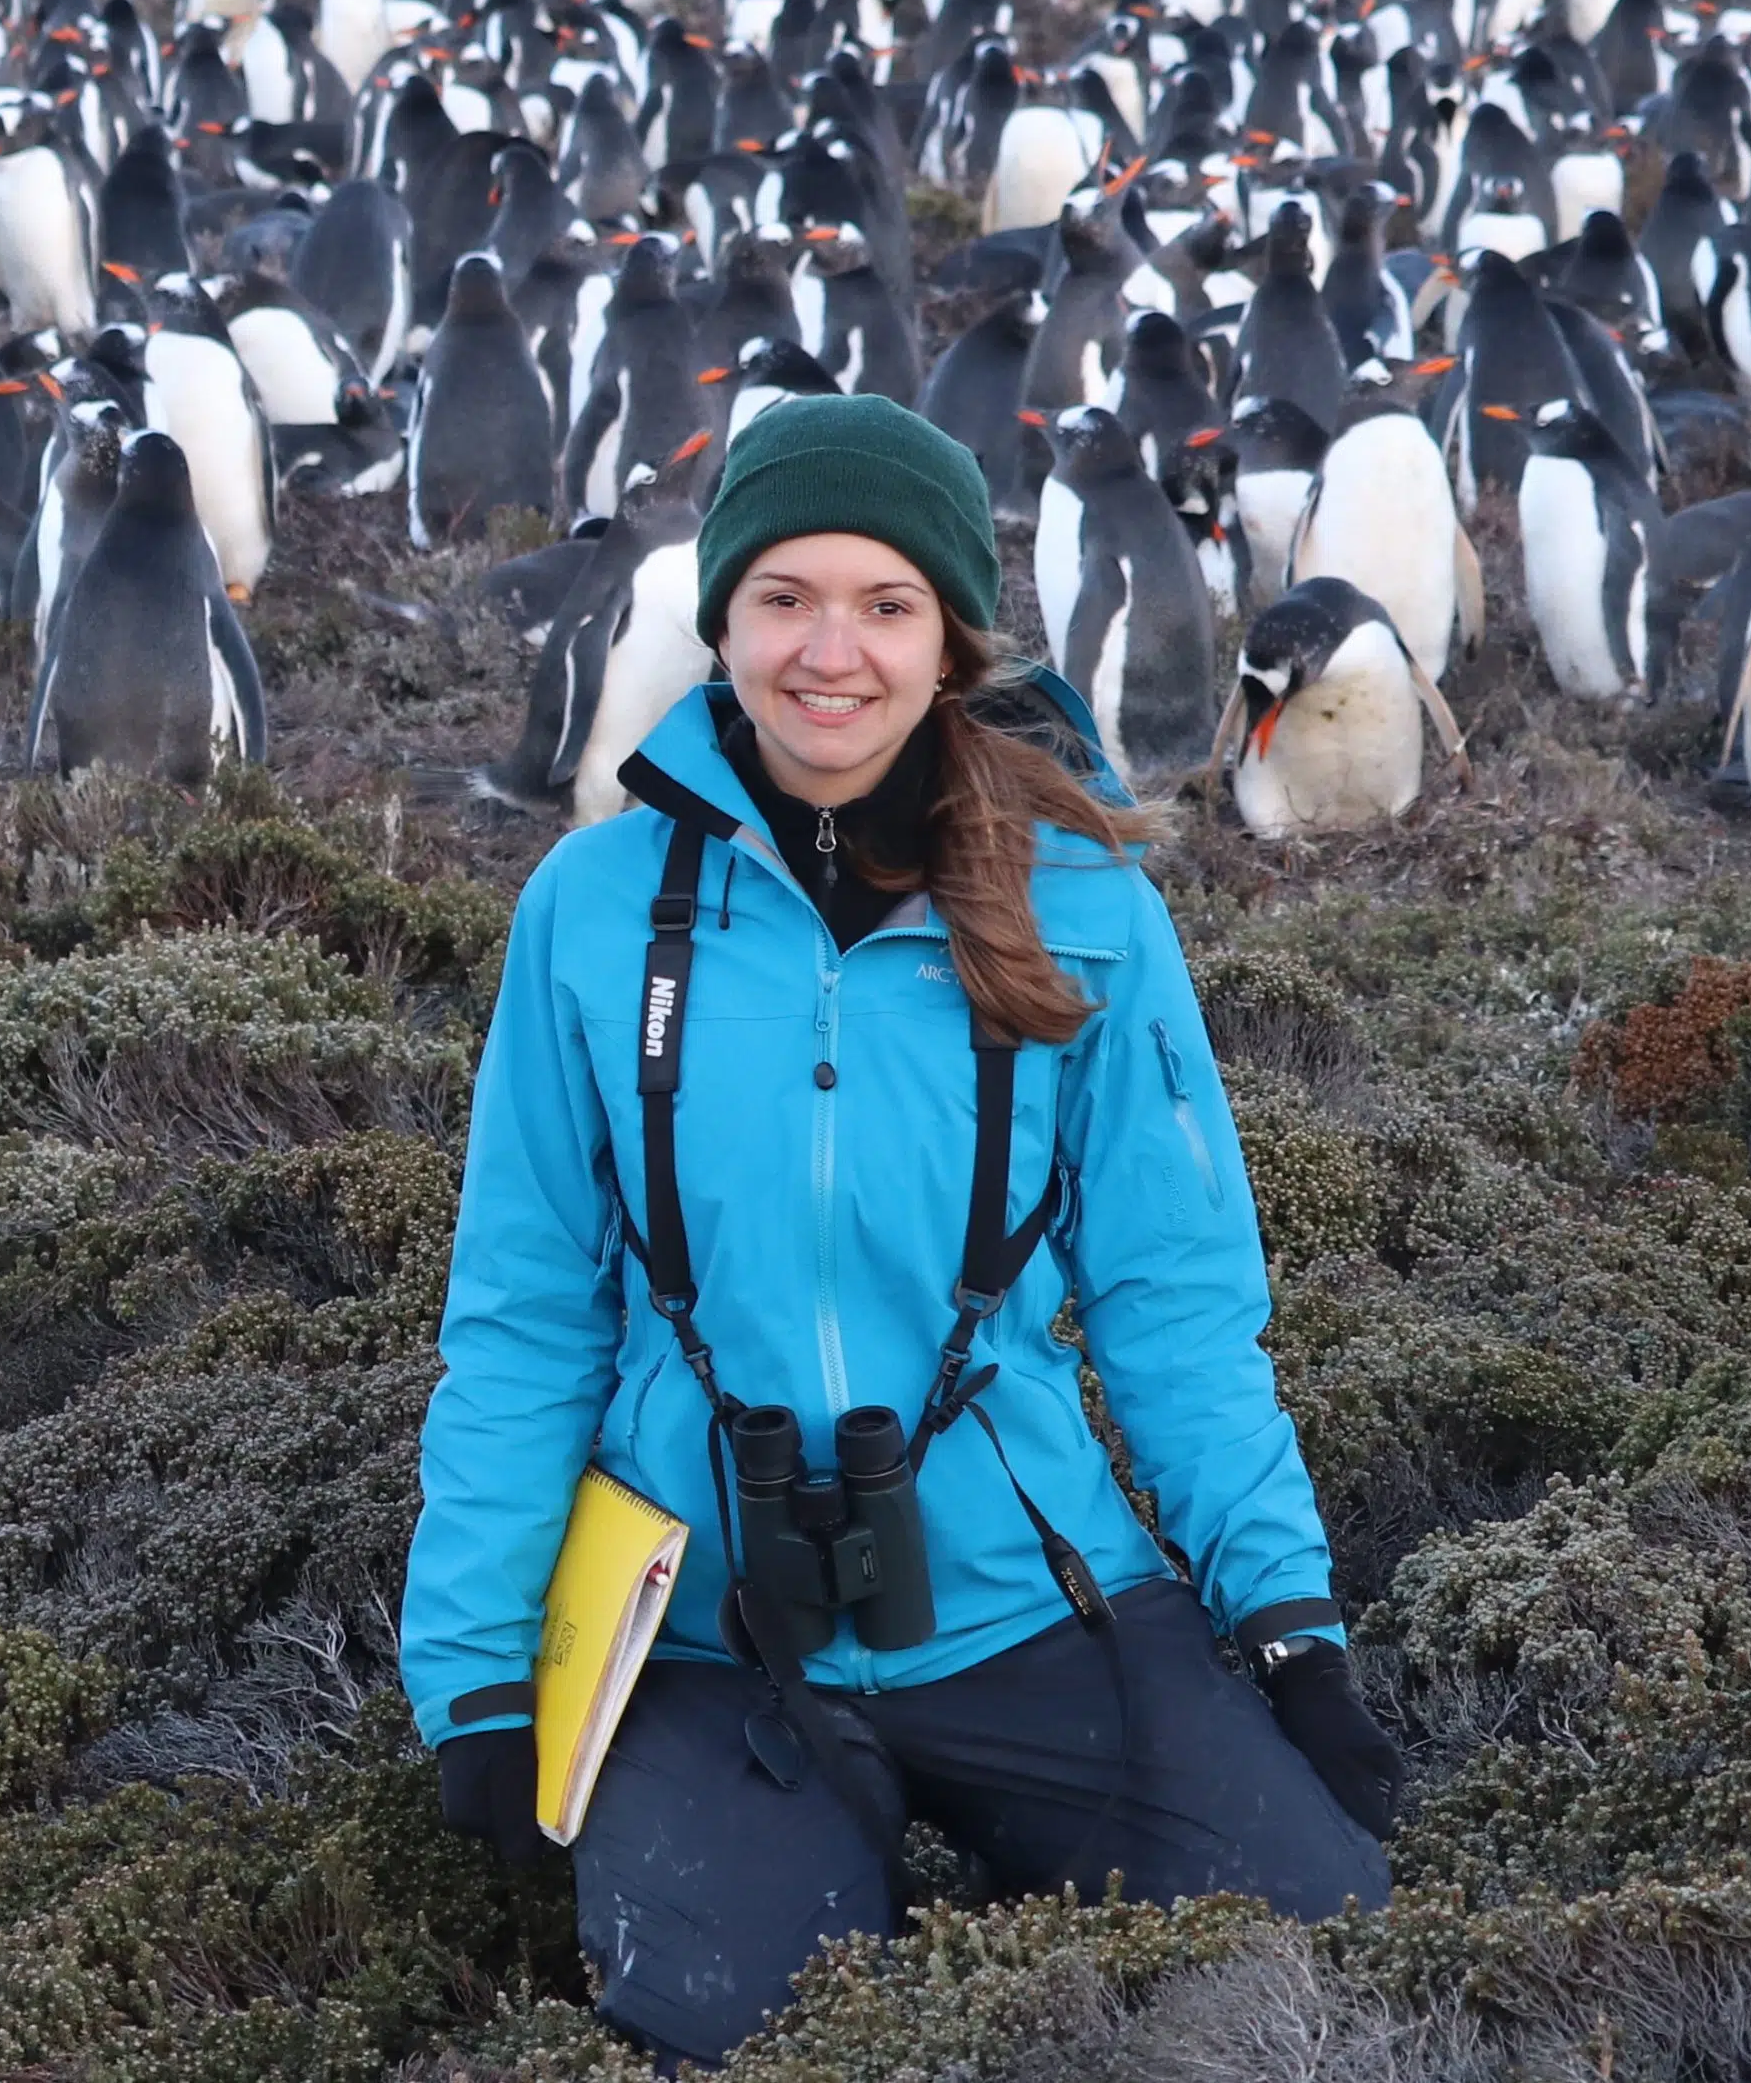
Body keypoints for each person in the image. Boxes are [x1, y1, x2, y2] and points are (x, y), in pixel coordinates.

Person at [401, 395, 1398, 2070]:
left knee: (1318, 1947)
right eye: (784, 597)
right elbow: (523, 1320)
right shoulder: (585, 916)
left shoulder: (1084, 904)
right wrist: (480, 1681)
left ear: (950, 636)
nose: (829, 654)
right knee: (746, 2035)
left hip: (1027, 1589)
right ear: (718, 620)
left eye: (884, 604)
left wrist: (1288, 1621)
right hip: (704, 1630)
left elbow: (1170, 1305)